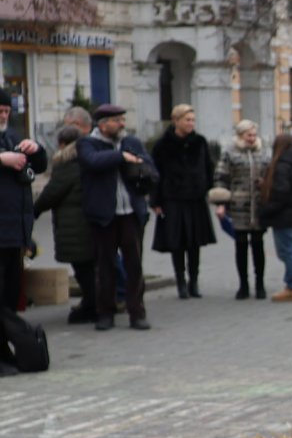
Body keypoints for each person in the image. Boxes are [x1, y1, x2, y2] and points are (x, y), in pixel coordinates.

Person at [78, 104, 156, 331]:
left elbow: (151, 168)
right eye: (117, 120)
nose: (122, 124)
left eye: (123, 119)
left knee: (134, 265)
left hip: (131, 212)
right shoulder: (87, 143)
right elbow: (93, 161)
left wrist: (142, 168)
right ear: (103, 124)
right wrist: (121, 157)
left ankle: (137, 312)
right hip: (104, 214)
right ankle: (106, 313)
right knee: (105, 266)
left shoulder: (131, 142)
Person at [149, 104, 216, 300]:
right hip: (173, 199)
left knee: (195, 242)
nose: (191, 123)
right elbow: (155, 174)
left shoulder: (200, 142)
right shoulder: (162, 145)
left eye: (193, 120)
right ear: (176, 121)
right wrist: (156, 200)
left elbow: (208, 168)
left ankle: (194, 281)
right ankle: (180, 281)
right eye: (187, 120)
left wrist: (208, 188)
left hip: (196, 199)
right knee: (176, 242)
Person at [33, 125, 97, 324]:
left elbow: (51, 193)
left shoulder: (67, 163)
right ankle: (95, 304)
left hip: (74, 226)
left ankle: (92, 306)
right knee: (90, 267)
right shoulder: (88, 159)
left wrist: (33, 211)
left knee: (83, 269)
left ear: (62, 144)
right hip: (91, 222)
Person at [0, 89, 47, 322]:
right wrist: (2, 159)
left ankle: (7, 337)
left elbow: (40, 166)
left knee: (11, 292)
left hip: (16, 230)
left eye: (7, 111)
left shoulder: (13, 136)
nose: (3, 116)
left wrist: (35, 149)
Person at [211, 120, 270, 300]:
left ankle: (260, 284)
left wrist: (265, 185)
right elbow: (221, 178)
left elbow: (270, 174)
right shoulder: (230, 153)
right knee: (241, 245)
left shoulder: (263, 152)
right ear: (240, 135)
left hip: (258, 206)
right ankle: (243, 285)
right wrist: (221, 203)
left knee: (258, 245)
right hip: (238, 206)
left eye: (254, 135)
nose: (252, 138)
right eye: (248, 135)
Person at [260, 134, 292, 302]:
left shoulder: (282, 166)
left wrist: (266, 210)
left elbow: (281, 192)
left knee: (286, 251)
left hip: (283, 214)